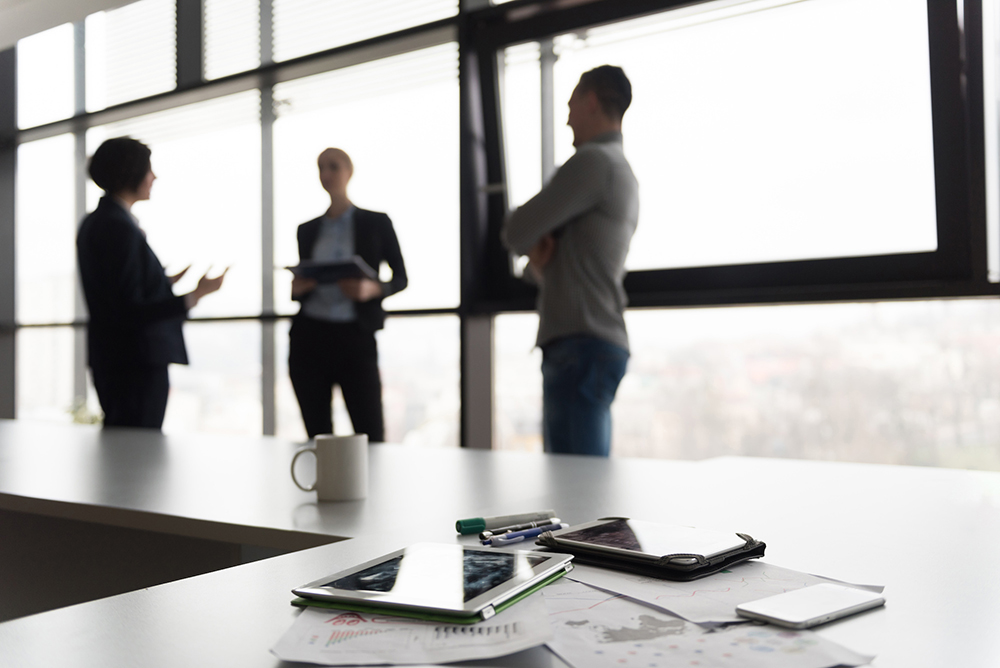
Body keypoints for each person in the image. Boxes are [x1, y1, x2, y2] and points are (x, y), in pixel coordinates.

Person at [501, 65, 639, 457]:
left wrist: (524, 236)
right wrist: (539, 264)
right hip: (589, 339)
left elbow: (516, 231)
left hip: (581, 343)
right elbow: (566, 264)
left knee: (579, 493)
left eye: (571, 106)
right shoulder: (618, 169)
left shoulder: (594, 163)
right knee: (578, 487)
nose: (565, 119)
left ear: (591, 101)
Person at [77, 136, 227, 430]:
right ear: (131, 173)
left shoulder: (98, 222)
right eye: (148, 169)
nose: (153, 177)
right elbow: (129, 309)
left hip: (114, 357)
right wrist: (196, 294)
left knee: (124, 446)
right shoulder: (118, 226)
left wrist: (162, 280)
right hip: (135, 361)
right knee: (136, 449)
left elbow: (116, 290)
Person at [289, 148, 407, 441]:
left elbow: (401, 278)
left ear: (349, 171)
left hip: (355, 336)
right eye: (321, 168)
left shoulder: (376, 222)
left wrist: (373, 289)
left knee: (370, 435)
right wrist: (298, 289)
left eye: (333, 166)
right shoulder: (307, 229)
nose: (326, 174)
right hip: (309, 337)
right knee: (318, 436)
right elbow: (304, 278)